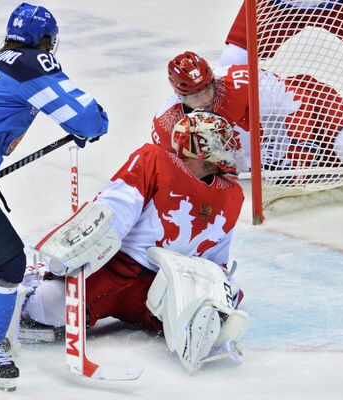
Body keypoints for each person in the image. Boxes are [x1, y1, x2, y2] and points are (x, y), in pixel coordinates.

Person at [0, 3, 108, 392]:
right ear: (46, 40)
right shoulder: (34, 64)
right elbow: (85, 117)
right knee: (8, 263)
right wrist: (94, 124)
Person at [18, 111, 249, 373]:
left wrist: (217, 287)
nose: (229, 149)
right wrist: (80, 247)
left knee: (211, 318)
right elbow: (114, 208)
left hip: (166, 284)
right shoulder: (154, 160)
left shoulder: (231, 195)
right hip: (114, 268)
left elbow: (216, 257)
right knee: (48, 307)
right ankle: (29, 287)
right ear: (201, 148)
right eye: (221, 142)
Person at [153, 51, 343, 173]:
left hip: (313, 109)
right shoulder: (168, 121)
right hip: (278, 149)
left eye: (206, 90)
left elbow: (296, 104)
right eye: (193, 95)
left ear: (212, 79)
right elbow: (173, 167)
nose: (202, 100)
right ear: (179, 94)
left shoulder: (242, 81)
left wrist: (299, 151)